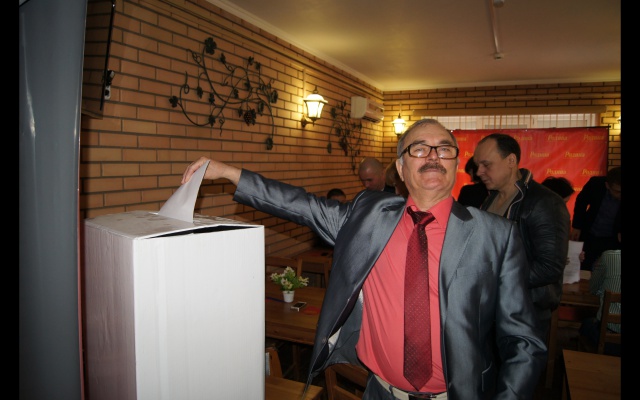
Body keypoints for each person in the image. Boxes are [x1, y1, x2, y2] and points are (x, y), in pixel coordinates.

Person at [182, 119, 547, 399]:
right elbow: (302, 205)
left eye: (444, 148)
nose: (433, 156)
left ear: (455, 163)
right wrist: (230, 173)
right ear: (400, 169)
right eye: (420, 148)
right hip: (379, 392)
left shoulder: (496, 235)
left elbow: (524, 341)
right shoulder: (368, 217)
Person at [473, 133, 571, 339]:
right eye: (478, 165)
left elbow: (549, 268)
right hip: (492, 306)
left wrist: (497, 280)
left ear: (511, 161)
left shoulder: (545, 202)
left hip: (527, 309)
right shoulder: (490, 199)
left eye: (486, 164)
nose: (479, 172)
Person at [570, 166, 621, 271]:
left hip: (612, 239)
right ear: (607, 185)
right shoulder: (596, 184)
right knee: (584, 266)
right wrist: (577, 226)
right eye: (617, 191)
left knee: (610, 270)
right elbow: (581, 202)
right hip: (590, 234)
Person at [578, 249, 621, 356]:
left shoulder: (608, 256)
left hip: (609, 340)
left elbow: (593, 288)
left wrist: (602, 291)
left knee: (586, 324)